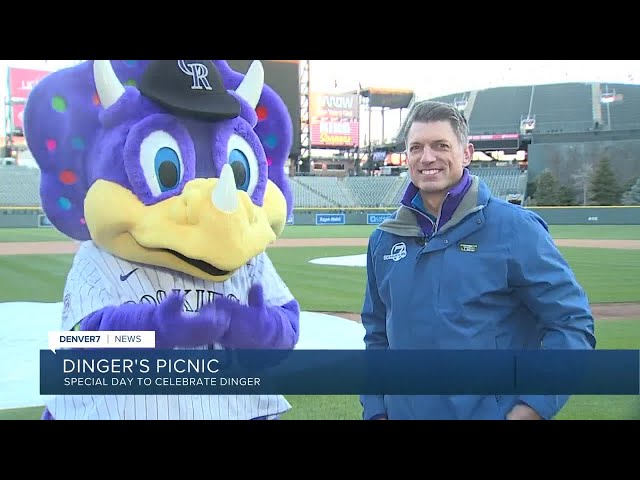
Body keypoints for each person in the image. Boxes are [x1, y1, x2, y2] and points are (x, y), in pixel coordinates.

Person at [25, 60, 300, 420]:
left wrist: (256, 327)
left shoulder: (248, 254)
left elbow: (287, 327)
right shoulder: (101, 258)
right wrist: (154, 330)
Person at [360, 100, 596, 420]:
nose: (427, 157)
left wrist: (530, 409)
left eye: (440, 145)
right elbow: (377, 337)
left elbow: (572, 324)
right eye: (416, 147)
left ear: (467, 153)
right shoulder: (384, 240)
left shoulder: (515, 230)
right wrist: (376, 410)